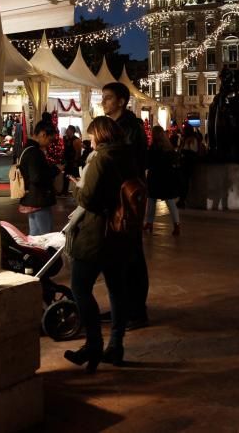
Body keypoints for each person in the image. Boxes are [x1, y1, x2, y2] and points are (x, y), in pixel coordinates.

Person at [64, 116, 139, 372]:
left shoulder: (100, 159)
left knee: (80, 288)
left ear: (101, 135)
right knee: (117, 290)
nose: (90, 140)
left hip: (96, 234)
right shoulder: (128, 156)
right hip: (121, 233)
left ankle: (93, 345)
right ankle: (116, 345)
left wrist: (75, 187)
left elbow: (88, 199)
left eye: (92, 135)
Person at [101, 81, 150, 329]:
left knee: (131, 255)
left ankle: (137, 311)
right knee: (119, 256)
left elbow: (125, 161)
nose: (103, 102)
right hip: (117, 195)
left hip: (128, 197)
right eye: (103, 98)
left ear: (121, 101)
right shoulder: (114, 125)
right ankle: (122, 307)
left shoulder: (130, 127)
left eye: (108, 98)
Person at [17, 122, 60, 235]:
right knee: (46, 235)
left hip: (31, 198)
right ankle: (45, 253)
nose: (49, 144)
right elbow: (36, 177)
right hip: (38, 199)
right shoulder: (34, 152)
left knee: (35, 234)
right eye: (50, 140)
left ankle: (34, 253)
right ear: (43, 134)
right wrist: (55, 170)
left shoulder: (26, 149)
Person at [145, 125, 181, 235]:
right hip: (166, 177)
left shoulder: (153, 148)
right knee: (170, 202)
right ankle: (176, 224)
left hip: (155, 177)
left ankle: (149, 223)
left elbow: (148, 162)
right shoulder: (169, 148)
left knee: (151, 201)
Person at [177, 125, 201, 208]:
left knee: (185, 182)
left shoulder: (192, 139)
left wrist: (184, 152)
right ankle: (182, 199)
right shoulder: (185, 139)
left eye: (184, 130)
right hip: (184, 163)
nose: (182, 132)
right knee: (182, 182)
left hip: (188, 163)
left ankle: (183, 200)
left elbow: (193, 151)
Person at [62, 125, 82, 194]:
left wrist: (75, 162)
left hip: (73, 162)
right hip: (67, 161)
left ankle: (79, 191)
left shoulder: (76, 140)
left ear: (72, 131)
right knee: (66, 176)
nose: (66, 130)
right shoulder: (66, 139)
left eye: (68, 129)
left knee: (75, 177)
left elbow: (78, 152)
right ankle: (64, 191)